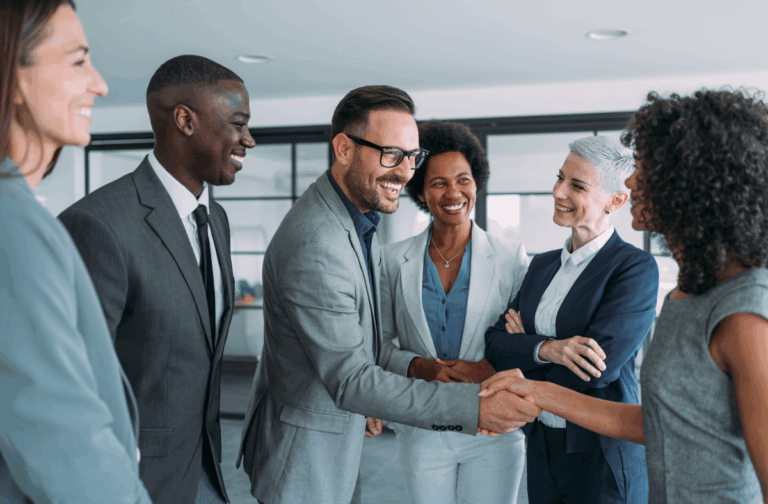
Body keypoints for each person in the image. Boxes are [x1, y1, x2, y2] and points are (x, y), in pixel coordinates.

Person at [237, 85, 541, 504]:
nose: (403, 171)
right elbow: (353, 377)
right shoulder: (318, 243)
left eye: (410, 157)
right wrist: (469, 404)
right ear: (344, 148)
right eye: (391, 154)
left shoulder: (357, 223)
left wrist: (436, 369)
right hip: (306, 453)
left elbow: (368, 346)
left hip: (338, 439)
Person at [481, 89, 768, 504]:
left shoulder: (743, 313)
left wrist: (531, 353)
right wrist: (540, 383)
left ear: (693, 183)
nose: (631, 182)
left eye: (646, 169)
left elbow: (600, 370)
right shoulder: (687, 295)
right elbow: (655, 422)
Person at [58, 55, 256, 504]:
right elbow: (75, 387)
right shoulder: (98, 225)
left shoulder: (216, 218)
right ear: (185, 121)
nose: (249, 139)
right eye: (237, 123)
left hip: (204, 468)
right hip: (134, 480)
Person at [0, 1, 151, 502]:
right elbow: (66, 446)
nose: (100, 83)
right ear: (14, 77)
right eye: (77, 60)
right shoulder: (15, 227)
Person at [483, 135, 658, 504]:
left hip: (600, 454)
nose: (558, 191)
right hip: (541, 445)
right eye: (560, 177)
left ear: (617, 200)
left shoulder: (634, 268)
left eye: (576, 185)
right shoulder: (542, 265)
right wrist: (550, 348)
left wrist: (526, 355)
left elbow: (598, 368)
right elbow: (497, 344)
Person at [379, 120, 529, 504]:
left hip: (491, 426)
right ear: (420, 192)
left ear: (476, 183)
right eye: (438, 183)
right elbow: (378, 346)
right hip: (424, 424)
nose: (453, 192)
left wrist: (492, 368)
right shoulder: (394, 260)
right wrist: (419, 367)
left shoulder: (511, 259)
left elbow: (525, 342)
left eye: (463, 179)